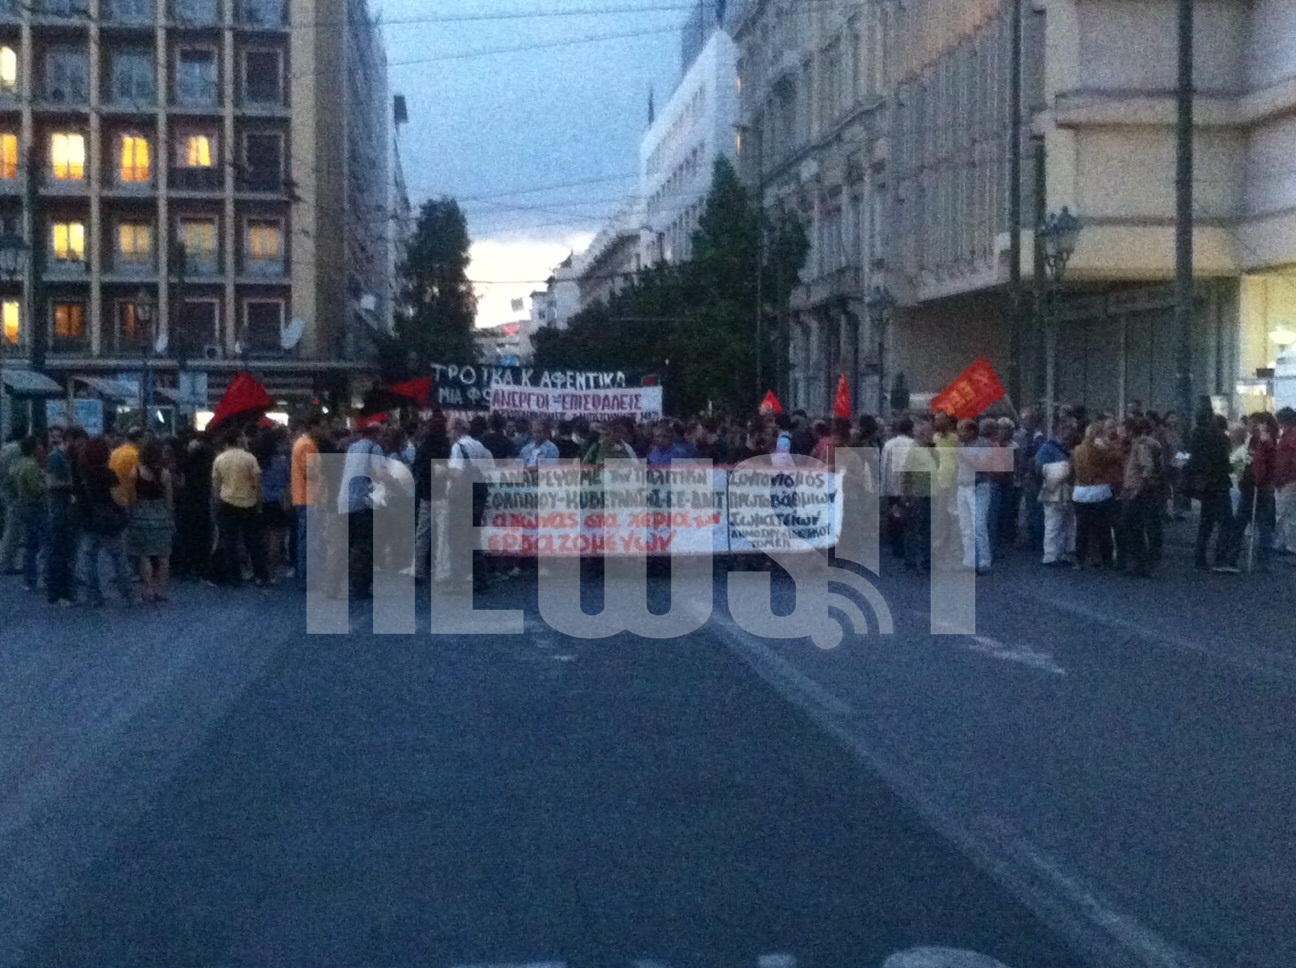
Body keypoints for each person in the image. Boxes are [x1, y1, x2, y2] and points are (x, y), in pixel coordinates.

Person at [336, 420, 390, 598]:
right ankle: (359, 586)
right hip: (362, 502)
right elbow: (380, 474)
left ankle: (343, 582)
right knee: (364, 545)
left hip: (345, 500)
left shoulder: (352, 448)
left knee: (350, 543)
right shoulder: (374, 448)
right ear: (376, 434)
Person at [79, 435, 134, 606]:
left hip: (88, 520)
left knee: (90, 560)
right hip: (109, 522)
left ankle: (94, 595)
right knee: (118, 558)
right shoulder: (108, 475)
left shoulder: (83, 473)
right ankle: (127, 594)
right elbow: (120, 500)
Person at [211, 429, 269, 588]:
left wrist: (217, 504)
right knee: (253, 541)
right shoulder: (250, 458)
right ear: (238, 440)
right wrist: (259, 503)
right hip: (248, 503)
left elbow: (216, 486)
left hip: (227, 503)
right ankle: (260, 575)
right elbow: (257, 483)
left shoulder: (219, 459)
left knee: (230, 541)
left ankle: (234, 577)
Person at [1185, 410, 1233, 571]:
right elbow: (1224, 463)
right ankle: (1221, 558)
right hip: (1219, 483)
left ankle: (1199, 558)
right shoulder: (1219, 439)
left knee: (1206, 522)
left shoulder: (1196, 437)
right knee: (1226, 522)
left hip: (1206, 485)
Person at [128, 438, 175, 602]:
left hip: (141, 515)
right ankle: (161, 591)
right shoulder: (165, 474)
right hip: (161, 516)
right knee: (163, 556)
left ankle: (147, 590)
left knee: (145, 555)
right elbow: (169, 499)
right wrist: (170, 516)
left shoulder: (135, 472)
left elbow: (132, 498)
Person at [1119, 416, 1164, 578]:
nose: (1120, 432)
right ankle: (1138, 563)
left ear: (1130, 431)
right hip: (1133, 490)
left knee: (1133, 527)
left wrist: (1137, 489)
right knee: (1132, 527)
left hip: (1136, 492)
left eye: (1123, 429)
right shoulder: (1136, 446)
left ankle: (1140, 564)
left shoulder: (1140, 447)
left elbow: (1147, 467)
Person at [1071, 421, 1117, 568]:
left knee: (1081, 529)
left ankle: (1080, 560)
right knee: (1103, 528)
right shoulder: (1102, 451)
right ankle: (1106, 560)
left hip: (1080, 492)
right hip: (1100, 491)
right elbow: (1111, 462)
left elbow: (1071, 471)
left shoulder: (1076, 450)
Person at [44, 426, 79, 606]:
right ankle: (57, 592)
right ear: (71, 439)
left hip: (65, 510)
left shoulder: (66, 457)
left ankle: (63, 590)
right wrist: (73, 485)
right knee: (59, 552)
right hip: (59, 511)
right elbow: (50, 483)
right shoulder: (55, 457)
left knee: (64, 551)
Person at [955, 418, 993, 574]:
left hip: (979, 487)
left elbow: (983, 467)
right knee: (965, 526)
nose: (959, 434)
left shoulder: (983, 445)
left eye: (962, 430)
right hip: (963, 487)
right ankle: (969, 560)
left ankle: (984, 560)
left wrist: (965, 458)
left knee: (978, 524)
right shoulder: (962, 446)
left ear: (971, 431)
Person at [1036, 422, 1076, 567]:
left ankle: (1061, 552)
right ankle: (1051, 555)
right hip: (1055, 489)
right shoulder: (1048, 448)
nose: (1069, 440)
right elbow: (1039, 467)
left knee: (1066, 523)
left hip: (1064, 489)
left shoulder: (1058, 448)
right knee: (1053, 522)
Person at [10, 436, 46, 591]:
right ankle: (34, 578)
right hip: (33, 506)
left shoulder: (18, 464)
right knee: (36, 543)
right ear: (33, 448)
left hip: (22, 504)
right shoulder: (31, 466)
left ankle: (29, 578)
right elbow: (36, 489)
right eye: (38, 445)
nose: (41, 448)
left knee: (30, 543)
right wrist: (47, 485)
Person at [290, 416, 323, 586]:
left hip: (301, 495)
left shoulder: (300, 443)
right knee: (309, 538)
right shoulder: (307, 445)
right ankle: (307, 576)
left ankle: (303, 574)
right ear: (313, 427)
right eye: (320, 427)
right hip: (308, 496)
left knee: (304, 537)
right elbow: (310, 472)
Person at [880, 416, 915, 559]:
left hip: (892, 486)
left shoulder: (889, 444)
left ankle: (896, 547)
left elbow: (884, 467)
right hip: (909, 487)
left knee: (894, 517)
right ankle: (909, 547)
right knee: (911, 518)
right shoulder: (914, 444)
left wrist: (884, 488)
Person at [0, 424, 28, 573]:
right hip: (14, 491)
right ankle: (7, 562)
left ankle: (5, 558)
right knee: (13, 528)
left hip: (4, 489)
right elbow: (16, 471)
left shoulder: (6, 447)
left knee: (9, 526)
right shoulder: (17, 450)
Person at [1273, 407, 1296, 556]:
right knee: (1284, 512)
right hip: (1286, 479)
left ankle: (1290, 545)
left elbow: (1290, 460)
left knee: (1288, 513)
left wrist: (1282, 476)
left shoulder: (1291, 437)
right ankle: (1282, 542)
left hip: (1289, 479)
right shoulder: (1288, 436)